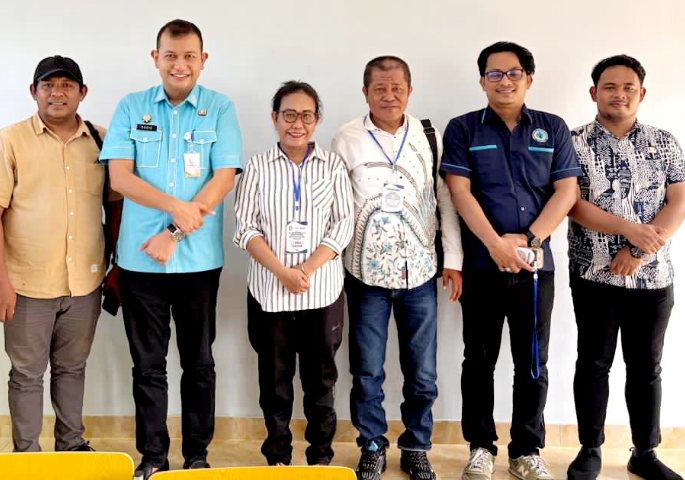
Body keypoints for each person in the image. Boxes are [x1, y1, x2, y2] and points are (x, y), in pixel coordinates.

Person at [99, 19, 242, 480]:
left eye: (189, 56)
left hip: (199, 263)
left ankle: (197, 456)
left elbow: (223, 179)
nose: (180, 65)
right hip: (140, 262)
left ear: (203, 60)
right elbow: (120, 178)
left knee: (199, 363)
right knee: (148, 365)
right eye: (170, 55)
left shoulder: (220, 108)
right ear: (155, 58)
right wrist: (176, 208)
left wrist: (175, 232)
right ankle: (154, 457)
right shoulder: (132, 107)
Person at [439, 41, 581, 480]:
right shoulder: (463, 128)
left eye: (514, 73)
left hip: (536, 269)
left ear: (529, 79)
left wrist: (531, 239)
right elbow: (459, 192)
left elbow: (567, 191)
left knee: (532, 361)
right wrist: (495, 245)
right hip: (483, 268)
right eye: (495, 74)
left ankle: (526, 450)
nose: (505, 81)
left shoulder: (552, 128)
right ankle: (480, 447)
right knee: (478, 361)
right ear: (482, 81)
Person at [331, 56, 463, 480]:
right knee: (367, 370)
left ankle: (416, 446)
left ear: (409, 90)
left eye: (397, 88)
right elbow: (338, 205)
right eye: (379, 89)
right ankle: (372, 445)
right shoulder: (346, 138)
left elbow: (445, 199)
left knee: (422, 372)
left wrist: (453, 260)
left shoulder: (428, 134)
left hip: (420, 272)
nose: (389, 96)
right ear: (365, 92)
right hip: (364, 275)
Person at [565, 54, 685, 480]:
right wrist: (629, 230)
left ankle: (645, 453)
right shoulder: (573, 142)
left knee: (646, 368)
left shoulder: (664, 141)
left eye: (628, 88)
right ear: (594, 92)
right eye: (610, 87)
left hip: (653, 277)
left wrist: (637, 251)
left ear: (641, 93)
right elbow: (571, 204)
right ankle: (590, 449)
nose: (619, 94)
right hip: (593, 273)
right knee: (593, 364)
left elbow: (680, 203)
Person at [0, 55, 105, 453]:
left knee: (72, 369)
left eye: (67, 85)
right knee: (27, 375)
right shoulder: (9, 140)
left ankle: (72, 447)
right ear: (34, 91)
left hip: (85, 283)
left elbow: (115, 206)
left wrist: (114, 269)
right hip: (26, 284)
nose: (57, 93)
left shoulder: (101, 140)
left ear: (82, 93)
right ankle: (27, 454)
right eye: (48, 85)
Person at [234, 81, 354, 467]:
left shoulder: (333, 165)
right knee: (275, 383)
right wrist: (282, 272)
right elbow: (245, 228)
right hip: (270, 292)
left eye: (306, 116)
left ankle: (320, 459)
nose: (297, 124)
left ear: (316, 120)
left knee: (321, 383)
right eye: (289, 115)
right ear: (275, 118)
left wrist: (305, 269)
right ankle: (279, 459)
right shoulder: (257, 166)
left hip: (322, 291)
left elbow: (343, 224)